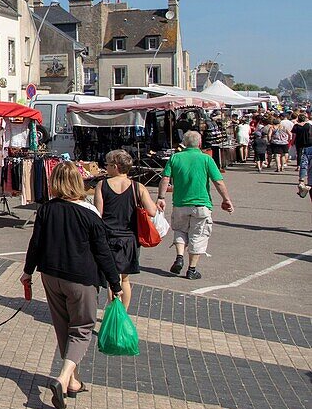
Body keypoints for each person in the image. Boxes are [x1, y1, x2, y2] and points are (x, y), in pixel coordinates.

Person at [21, 162, 122, 409]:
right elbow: (103, 252)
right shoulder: (89, 213)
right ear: (78, 183)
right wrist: (115, 283)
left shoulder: (46, 210)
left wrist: (27, 272)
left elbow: (36, 243)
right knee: (82, 328)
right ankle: (63, 377)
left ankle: (73, 381)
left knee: (63, 327)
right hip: (81, 278)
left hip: (51, 275)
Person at [158, 131, 234, 280]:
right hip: (201, 204)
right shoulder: (206, 159)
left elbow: (165, 178)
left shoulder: (175, 157)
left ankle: (179, 256)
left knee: (180, 230)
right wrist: (226, 199)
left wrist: (161, 197)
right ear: (199, 143)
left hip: (180, 203)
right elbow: (218, 181)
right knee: (198, 235)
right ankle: (191, 269)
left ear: (184, 143)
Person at [94, 150, 157, 311]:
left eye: (107, 165)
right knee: (125, 279)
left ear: (115, 166)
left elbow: (98, 214)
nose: (105, 168)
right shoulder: (138, 187)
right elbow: (152, 211)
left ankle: (113, 312)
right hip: (130, 238)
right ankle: (124, 313)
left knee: (111, 280)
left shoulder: (102, 185)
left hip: (108, 237)